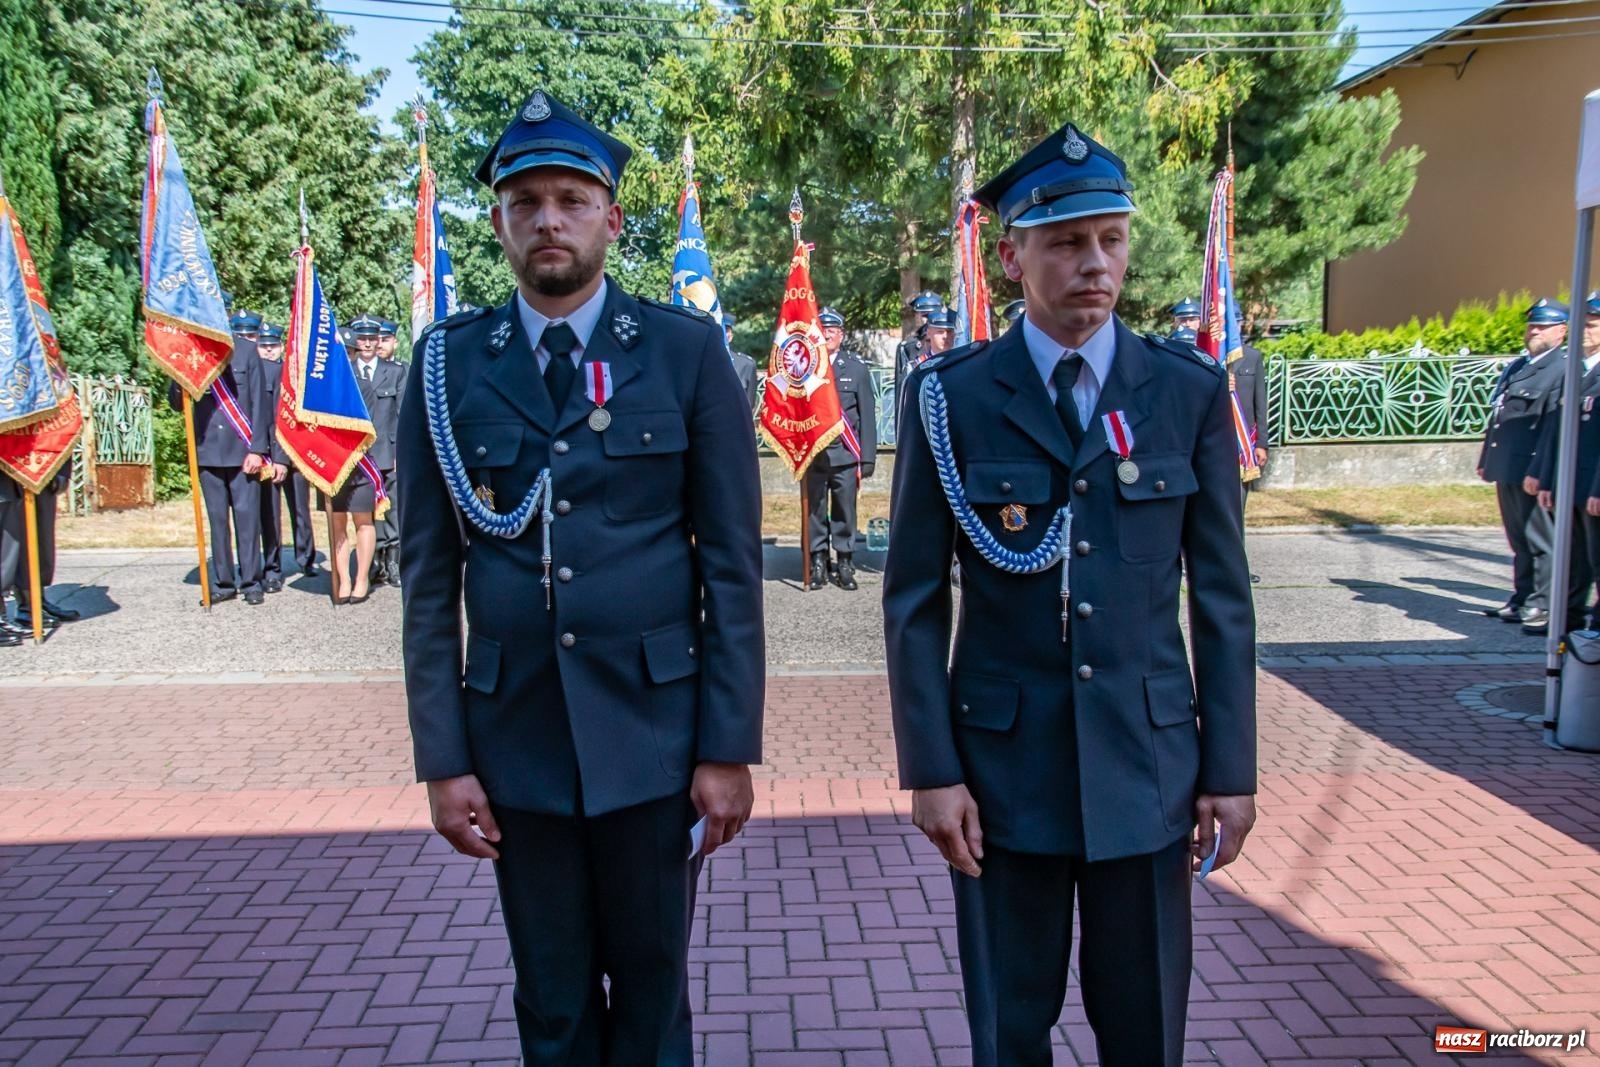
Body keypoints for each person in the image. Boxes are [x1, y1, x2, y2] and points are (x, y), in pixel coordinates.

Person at [397, 88, 764, 1065]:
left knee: (652, 999)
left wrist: (727, 746)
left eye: (568, 198)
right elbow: (428, 580)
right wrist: (443, 758)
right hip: (514, 741)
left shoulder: (685, 355)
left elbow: (731, 566)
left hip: (654, 740)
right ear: (499, 224)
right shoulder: (446, 365)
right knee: (551, 1002)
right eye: (525, 203)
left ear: (611, 215)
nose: (547, 220)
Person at [883, 121, 1256, 1066]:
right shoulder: (951, 396)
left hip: (1148, 769)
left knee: (1145, 1031)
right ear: (1011, 256)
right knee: (1010, 1031)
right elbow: (914, 600)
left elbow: (1220, 596)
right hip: (1003, 781)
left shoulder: (1186, 390)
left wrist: (1232, 770)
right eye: (1065, 242)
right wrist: (931, 770)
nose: (1096, 262)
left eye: (1111, 238)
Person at [1479, 298, 1567, 629]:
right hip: (1507, 466)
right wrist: (1488, 457)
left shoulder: (1560, 369)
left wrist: (1538, 471)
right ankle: (1521, 597)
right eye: (1532, 325)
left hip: (1531, 469)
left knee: (1540, 541)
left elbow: (1549, 426)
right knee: (1518, 540)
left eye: (1542, 326)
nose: (1534, 331)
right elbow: (1500, 416)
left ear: (1561, 331)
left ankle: (1541, 604)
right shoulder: (1519, 366)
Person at [167, 333, 271, 605]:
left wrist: (258, 449)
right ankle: (223, 583)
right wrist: (179, 379)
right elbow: (177, 402)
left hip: (242, 449)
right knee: (217, 521)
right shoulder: (190, 351)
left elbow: (261, 403)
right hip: (207, 450)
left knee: (247, 521)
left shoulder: (246, 350)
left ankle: (251, 582)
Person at [1534, 293, 1600, 635]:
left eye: (1592, 325)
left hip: (1593, 486)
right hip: (1570, 482)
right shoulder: (1574, 370)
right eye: (1582, 325)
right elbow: (1554, 431)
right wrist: (1548, 480)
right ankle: (1568, 621)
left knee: (1596, 559)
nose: (1584, 331)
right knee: (1572, 558)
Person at [804, 307, 876, 591]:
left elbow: (867, 415)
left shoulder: (856, 368)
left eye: (833, 330)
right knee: (816, 511)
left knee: (845, 511)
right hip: (813, 455)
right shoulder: (805, 366)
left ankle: (845, 562)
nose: (828, 334)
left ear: (841, 335)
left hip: (846, 454)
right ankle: (818, 562)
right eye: (823, 330)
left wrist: (867, 458)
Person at [258, 322, 317, 582]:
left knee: (301, 511)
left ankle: (306, 559)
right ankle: (272, 565)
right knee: (270, 513)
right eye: (264, 346)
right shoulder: (255, 374)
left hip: (295, 452)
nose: (269, 351)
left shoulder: (292, 373)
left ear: (281, 346)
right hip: (269, 453)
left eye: (273, 346)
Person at [351, 314, 405, 589]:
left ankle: (393, 560)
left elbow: (402, 414)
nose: (369, 343)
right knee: (364, 511)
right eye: (363, 338)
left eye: (373, 338)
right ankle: (371, 561)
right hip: (357, 456)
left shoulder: (395, 371)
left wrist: (400, 454)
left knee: (393, 509)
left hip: (387, 453)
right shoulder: (347, 371)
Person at [895, 290, 945, 384]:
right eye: (924, 315)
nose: (927, 319)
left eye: (932, 314)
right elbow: (901, 386)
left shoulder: (951, 341)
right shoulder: (907, 347)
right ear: (916, 316)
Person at [722, 312, 759, 412]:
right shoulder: (700, 361)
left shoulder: (746, 365)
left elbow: (749, 404)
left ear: (730, 336)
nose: (721, 333)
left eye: (725, 330)